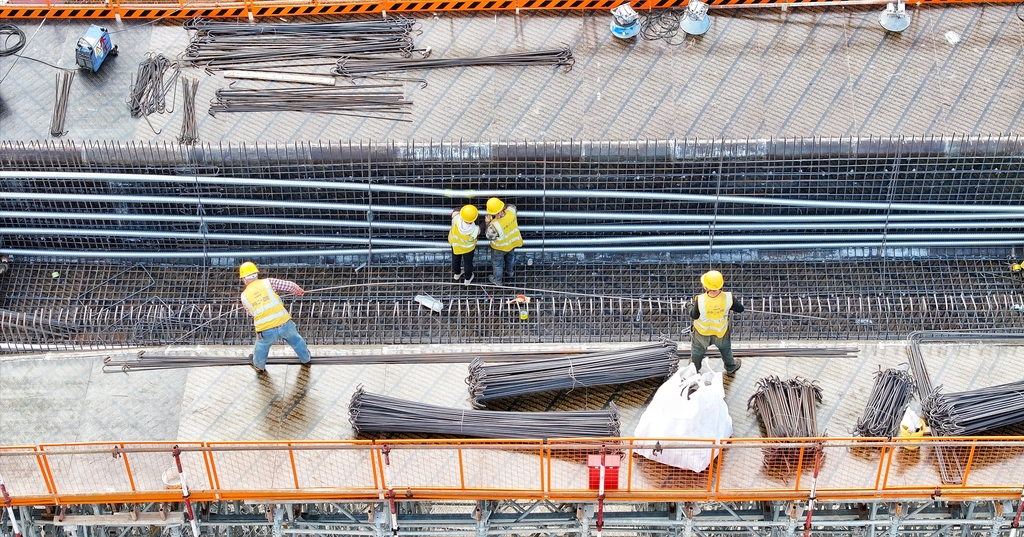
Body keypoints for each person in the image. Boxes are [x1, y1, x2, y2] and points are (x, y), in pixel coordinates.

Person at [238, 261, 311, 373]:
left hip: (265, 330)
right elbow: (289, 285)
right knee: (296, 340)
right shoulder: (269, 282)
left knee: (261, 347)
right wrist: (298, 291)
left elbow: (251, 313)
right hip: (284, 324)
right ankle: (306, 358)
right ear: (256, 274)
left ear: (244, 279)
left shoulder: (244, 296)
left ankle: (258, 366)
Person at [687, 270, 744, 375]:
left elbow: (694, 315)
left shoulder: (700, 300)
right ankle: (731, 366)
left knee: (697, 352)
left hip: (702, 333)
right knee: (726, 349)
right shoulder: (728, 297)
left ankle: (694, 368)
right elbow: (740, 309)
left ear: (706, 287)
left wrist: (688, 305)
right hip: (721, 332)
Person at [484, 197, 523, 285]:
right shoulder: (511, 211)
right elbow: (512, 206)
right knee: (510, 258)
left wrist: (487, 223)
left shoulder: (494, 225)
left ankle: (498, 281)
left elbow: (489, 236)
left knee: (497, 265)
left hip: (499, 248)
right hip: (512, 243)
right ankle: (510, 272)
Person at [449, 205, 480, 284]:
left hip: (455, 245)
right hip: (468, 249)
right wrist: (486, 222)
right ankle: (467, 279)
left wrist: (464, 210)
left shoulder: (456, 218)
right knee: (468, 263)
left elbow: (455, 210)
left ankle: (457, 274)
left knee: (455, 260)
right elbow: (482, 228)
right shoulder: (475, 229)